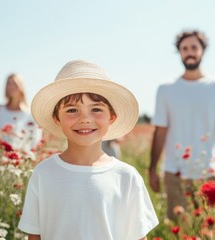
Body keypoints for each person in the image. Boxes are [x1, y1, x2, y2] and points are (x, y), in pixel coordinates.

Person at [18, 60, 158, 239]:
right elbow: (34, 236)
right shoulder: (43, 173)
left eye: (96, 109)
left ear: (112, 117)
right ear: (56, 118)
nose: (84, 119)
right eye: (71, 110)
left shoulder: (127, 177)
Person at [149, 30, 215, 221]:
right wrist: (152, 169)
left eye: (194, 47)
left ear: (202, 51)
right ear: (179, 52)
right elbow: (160, 131)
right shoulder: (166, 89)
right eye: (184, 48)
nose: (189, 52)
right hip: (174, 173)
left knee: (211, 230)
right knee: (180, 230)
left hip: (210, 174)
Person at [0, 73, 42, 151]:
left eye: (15, 84)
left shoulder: (30, 113)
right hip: (2, 157)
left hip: (24, 157)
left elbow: (36, 138)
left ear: (21, 87)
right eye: (9, 84)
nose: (12, 87)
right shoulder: (0, 111)